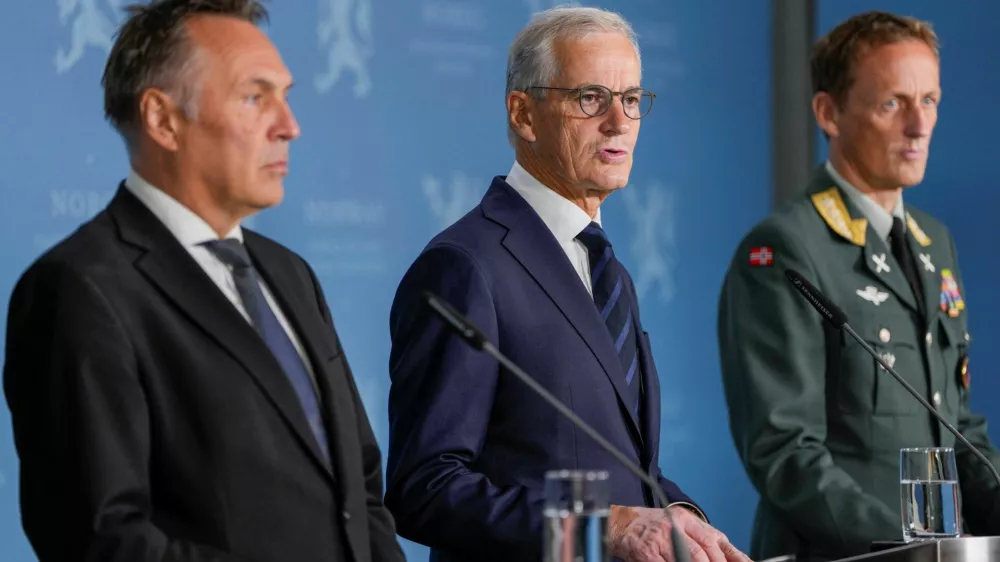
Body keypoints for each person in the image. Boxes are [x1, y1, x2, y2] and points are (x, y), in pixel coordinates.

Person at [2, 1, 404, 561]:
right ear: (163, 119)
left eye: (285, 96)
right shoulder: (78, 289)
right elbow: (100, 538)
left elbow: (358, 488)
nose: (289, 126)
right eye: (254, 97)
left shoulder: (290, 273)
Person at [385, 6, 750, 562]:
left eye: (631, 99)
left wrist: (678, 516)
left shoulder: (608, 270)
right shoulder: (464, 266)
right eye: (590, 98)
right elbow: (425, 487)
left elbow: (625, 470)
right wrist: (599, 529)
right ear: (524, 114)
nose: (619, 121)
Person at [717, 10, 1000, 561]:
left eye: (930, 101)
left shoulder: (933, 242)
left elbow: (958, 426)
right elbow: (785, 452)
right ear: (829, 112)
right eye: (893, 103)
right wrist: (908, 550)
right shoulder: (784, 249)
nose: (919, 125)